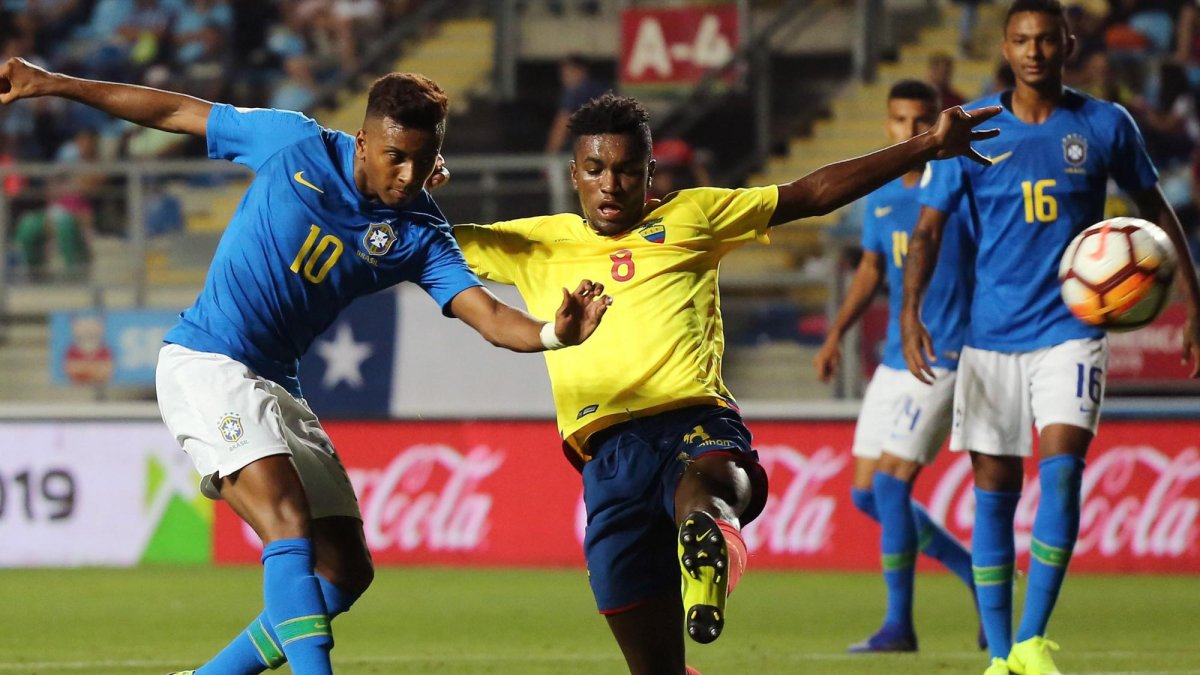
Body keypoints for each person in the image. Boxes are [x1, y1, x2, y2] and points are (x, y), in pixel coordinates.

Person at [0, 57, 612, 675]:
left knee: (346, 567)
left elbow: (486, 314)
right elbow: (174, 110)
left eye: (423, 162)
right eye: (396, 157)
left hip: (278, 384)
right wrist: (53, 82)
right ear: (363, 140)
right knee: (286, 520)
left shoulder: (420, 231)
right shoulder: (292, 142)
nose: (408, 176)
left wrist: (552, 334)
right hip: (208, 363)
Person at [454, 92, 1001, 674]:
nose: (610, 184)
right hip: (608, 453)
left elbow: (811, 193)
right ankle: (702, 554)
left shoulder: (694, 215)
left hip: (693, 417)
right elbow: (424, 241)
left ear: (649, 173)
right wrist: (367, 196)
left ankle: (707, 540)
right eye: (595, 170)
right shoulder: (532, 243)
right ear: (574, 174)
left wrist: (930, 145)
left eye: (626, 170)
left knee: (711, 484)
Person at [899, 2, 1200, 674]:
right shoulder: (971, 128)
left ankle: (1033, 640)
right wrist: (908, 310)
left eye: (1046, 40)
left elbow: (1157, 211)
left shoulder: (1104, 123)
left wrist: (1192, 299)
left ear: (1068, 43)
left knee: (1062, 474)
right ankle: (1002, 655)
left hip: (1072, 329)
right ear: (1005, 46)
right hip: (991, 334)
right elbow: (927, 231)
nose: (1034, 51)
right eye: (1021, 41)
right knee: (994, 491)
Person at [812, 79, 981, 654]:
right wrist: (836, 332)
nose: (912, 132)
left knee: (890, 484)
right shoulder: (880, 197)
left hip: (944, 352)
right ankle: (982, 582)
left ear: (938, 124)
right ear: (886, 126)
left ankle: (898, 626)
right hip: (892, 356)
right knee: (865, 494)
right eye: (901, 121)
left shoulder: (958, 181)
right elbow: (870, 270)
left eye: (922, 121)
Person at [543, 53, 608, 155]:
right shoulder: (603, 90)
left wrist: (549, 157)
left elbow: (562, 124)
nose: (564, 76)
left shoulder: (575, 92)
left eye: (568, 71)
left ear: (581, 71)